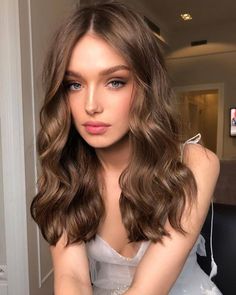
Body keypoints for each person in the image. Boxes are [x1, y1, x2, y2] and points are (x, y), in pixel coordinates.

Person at [30, 1, 222, 294]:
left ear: (145, 87)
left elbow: (149, 289)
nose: (91, 106)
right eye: (75, 85)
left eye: (115, 82)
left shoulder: (195, 164)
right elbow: (73, 279)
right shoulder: (62, 175)